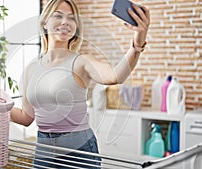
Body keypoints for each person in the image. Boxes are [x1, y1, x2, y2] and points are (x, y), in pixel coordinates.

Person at [10, 0, 150, 168]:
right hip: (43, 152)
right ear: (45, 22)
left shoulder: (81, 62)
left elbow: (115, 75)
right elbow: (26, 117)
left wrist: (137, 44)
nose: (65, 22)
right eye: (58, 16)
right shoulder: (31, 69)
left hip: (78, 150)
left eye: (71, 18)